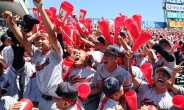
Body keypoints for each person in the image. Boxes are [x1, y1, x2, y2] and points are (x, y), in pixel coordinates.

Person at [1, 0, 63, 109]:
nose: (39, 41)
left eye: (43, 39)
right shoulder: (37, 55)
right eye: (38, 39)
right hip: (41, 99)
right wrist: (10, 22)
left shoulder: (56, 54)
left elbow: (51, 34)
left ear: (50, 42)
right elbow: (23, 41)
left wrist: (40, 8)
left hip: (55, 101)